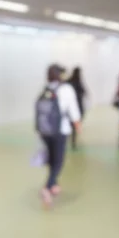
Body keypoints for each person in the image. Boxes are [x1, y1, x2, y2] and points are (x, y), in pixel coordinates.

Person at [36, 64, 81, 208]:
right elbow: (72, 108)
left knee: (51, 158)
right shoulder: (66, 89)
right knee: (59, 161)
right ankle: (47, 187)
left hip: (45, 131)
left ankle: (54, 184)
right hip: (60, 130)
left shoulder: (47, 88)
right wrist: (77, 126)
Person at [67, 67, 87, 150]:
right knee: (76, 122)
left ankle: (72, 138)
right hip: (78, 105)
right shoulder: (78, 82)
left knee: (72, 123)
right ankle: (73, 140)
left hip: (70, 106)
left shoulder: (69, 81)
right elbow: (84, 92)